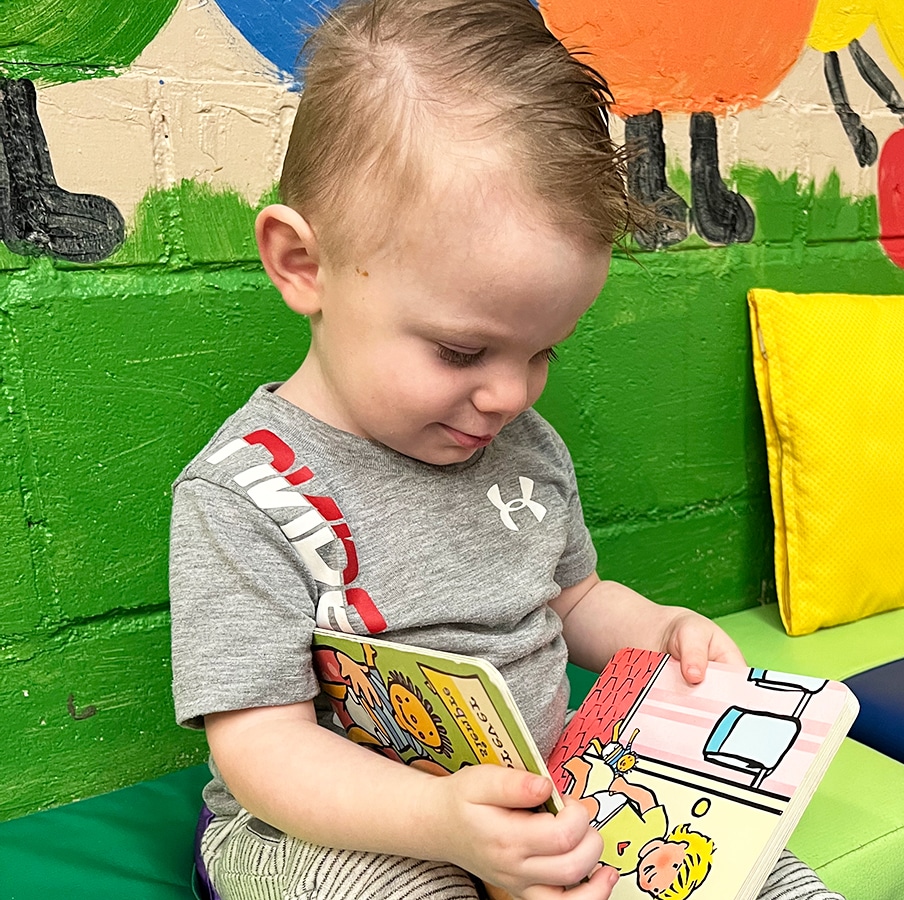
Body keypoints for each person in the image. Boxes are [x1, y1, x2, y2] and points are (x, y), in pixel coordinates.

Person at [168, 2, 846, 899]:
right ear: (302, 263)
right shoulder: (240, 492)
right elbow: (263, 749)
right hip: (333, 828)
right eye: (461, 351)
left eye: (542, 353)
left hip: (545, 791)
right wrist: (442, 825)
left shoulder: (522, 446)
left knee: (761, 875)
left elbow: (574, 599)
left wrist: (656, 635)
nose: (510, 395)